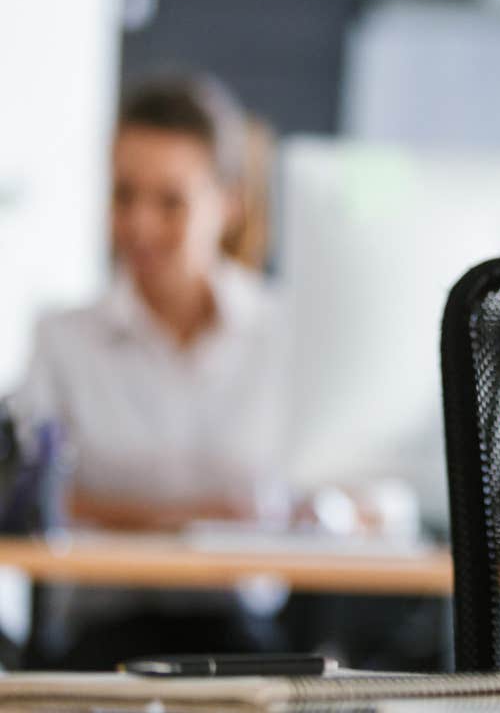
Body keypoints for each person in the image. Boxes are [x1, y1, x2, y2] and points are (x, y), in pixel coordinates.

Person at [9, 74, 291, 665]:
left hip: (243, 634)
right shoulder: (64, 338)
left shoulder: (282, 335)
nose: (139, 225)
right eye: (123, 195)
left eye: (170, 201)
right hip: (100, 634)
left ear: (229, 203)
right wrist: (202, 519)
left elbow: (328, 494)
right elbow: (24, 496)